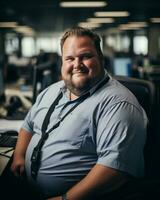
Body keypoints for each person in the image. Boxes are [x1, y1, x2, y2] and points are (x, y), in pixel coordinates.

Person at [11, 26, 147, 200]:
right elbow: (28, 125)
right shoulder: (51, 91)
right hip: (27, 188)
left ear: (101, 58)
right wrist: (19, 156)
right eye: (69, 58)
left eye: (86, 56)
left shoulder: (118, 104)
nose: (77, 65)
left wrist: (66, 198)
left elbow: (114, 168)